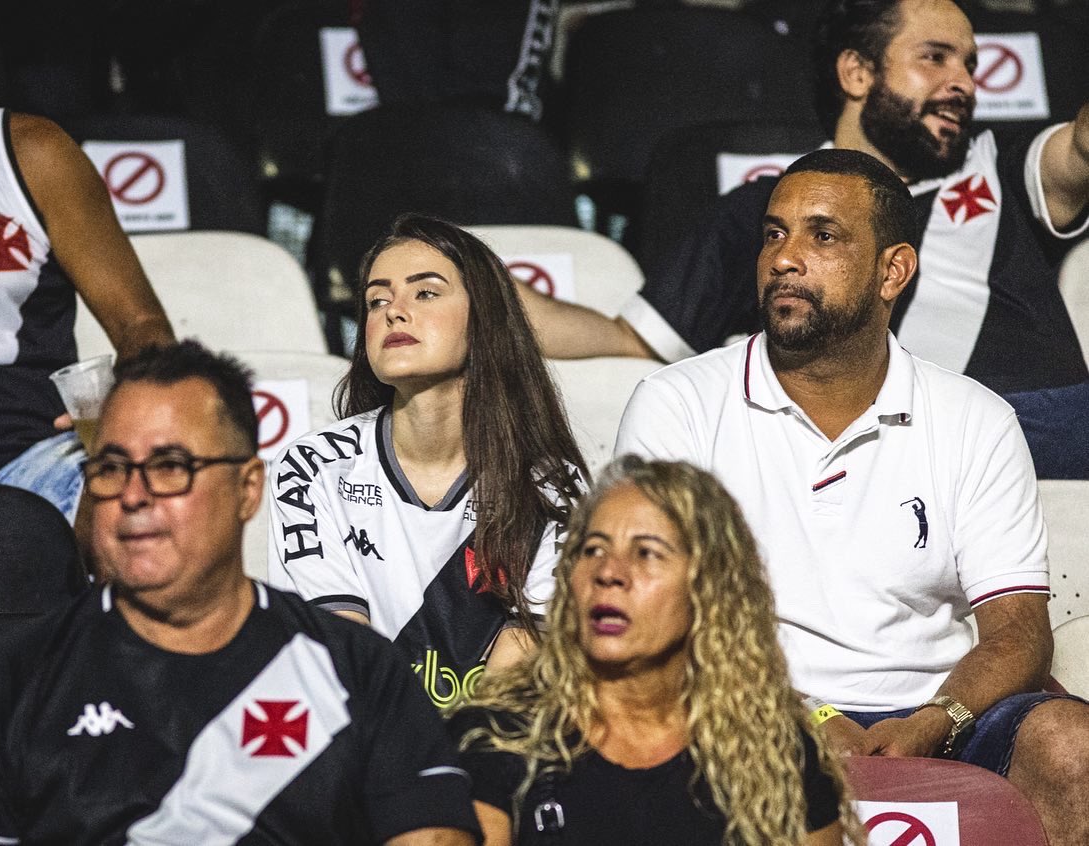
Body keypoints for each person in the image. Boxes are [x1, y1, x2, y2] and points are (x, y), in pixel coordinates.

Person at [614, 149, 1089, 846]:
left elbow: (1017, 632)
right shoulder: (677, 404)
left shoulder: (976, 418)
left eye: (823, 236)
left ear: (893, 271)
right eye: (774, 234)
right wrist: (801, 715)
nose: (784, 258)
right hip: (743, 706)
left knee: (1074, 747)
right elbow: (653, 616)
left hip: (937, 713)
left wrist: (936, 721)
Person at [517, 0, 1089, 476]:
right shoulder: (767, 210)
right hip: (891, 450)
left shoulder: (1003, 168)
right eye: (934, 58)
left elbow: (1080, 149)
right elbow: (630, 340)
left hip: (1056, 431)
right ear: (857, 73)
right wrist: (488, 288)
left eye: (970, 64)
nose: (963, 82)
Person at [0, 340, 480, 845]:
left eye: (170, 467)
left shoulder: (357, 670)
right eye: (112, 468)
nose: (133, 495)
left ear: (247, 489)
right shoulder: (11, 682)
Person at [447, 455, 861, 846]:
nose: (609, 573)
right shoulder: (499, 736)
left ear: (708, 589)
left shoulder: (775, 752)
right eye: (592, 550)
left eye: (647, 553)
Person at [268, 214, 586, 709]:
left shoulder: (550, 484)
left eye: (425, 293)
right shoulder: (312, 467)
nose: (394, 312)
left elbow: (517, 675)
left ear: (484, 319)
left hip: (491, 737)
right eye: (377, 301)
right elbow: (340, 656)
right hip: (367, 731)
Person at [0, 99, 174, 519]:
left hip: (25, 464)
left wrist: (127, 406)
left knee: (131, 496)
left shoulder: (29, 154)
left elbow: (141, 324)